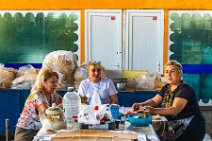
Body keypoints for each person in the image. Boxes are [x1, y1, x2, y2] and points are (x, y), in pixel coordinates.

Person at [132, 60, 205, 141]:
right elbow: (154, 101)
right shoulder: (167, 87)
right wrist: (141, 104)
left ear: (180, 72)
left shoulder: (185, 88)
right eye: (166, 71)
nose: (169, 74)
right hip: (173, 124)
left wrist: (153, 110)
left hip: (190, 128)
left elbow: (174, 110)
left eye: (172, 71)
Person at [14, 69, 62, 141]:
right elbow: (47, 113)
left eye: (56, 82)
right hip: (26, 134)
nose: (56, 85)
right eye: (52, 82)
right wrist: (64, 105)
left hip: (40, 132)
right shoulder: (36, 94)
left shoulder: (52, 94)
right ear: (43, 83)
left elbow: (64, 101)